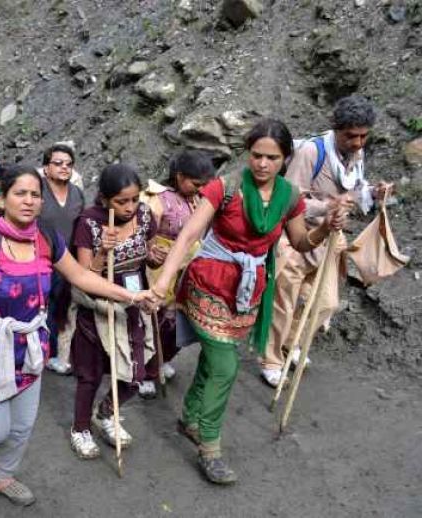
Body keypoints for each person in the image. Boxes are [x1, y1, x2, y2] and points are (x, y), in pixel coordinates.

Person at [0, 164, 155, 506]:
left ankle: (4, 475)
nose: (28, 201)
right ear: (3, 196)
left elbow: (81, 277)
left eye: (35, 195)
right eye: (20, 193)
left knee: (22, 427)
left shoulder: (46, 238)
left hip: (29, 347)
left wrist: (132, 296)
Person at [152, 119, 347, 484]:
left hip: (247, 290)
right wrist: (163, 281)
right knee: (225, 364)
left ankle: (190, 418)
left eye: (271, 157)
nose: (261, 164)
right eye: (256, 155)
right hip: (208, 282)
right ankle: (209, 446)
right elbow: (190, 233)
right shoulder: (222, 188)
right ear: (247, 153)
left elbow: (302, 242)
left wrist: (326, 227)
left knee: (214, 361)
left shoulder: (289, 196)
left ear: (285, 158)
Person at [261, 96, 388, 386]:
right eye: (351, 136)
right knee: (284, 302)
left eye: (364, 136)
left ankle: (291, 344)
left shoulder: (356, 155)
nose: (358, 142)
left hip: (330, 238)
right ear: (337, 129)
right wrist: (330, 206)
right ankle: (270, 360)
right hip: (296, 238)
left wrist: (373, 193)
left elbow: (353, 190)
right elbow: (289, 198)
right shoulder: (310, 152)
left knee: (326, 303)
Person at [67, 164, 162, 459]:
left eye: (134, 199)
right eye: (122, 201)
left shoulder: (145, 214)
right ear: (106, 199)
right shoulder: (89, 223)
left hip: (135, 303)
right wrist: (101, 253)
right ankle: (80, 428)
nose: (130, 207)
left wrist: (154, 258)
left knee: (138, 372)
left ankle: (106, 413)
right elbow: (84, 276)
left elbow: (148, 255)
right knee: (90, 374)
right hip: (99, 305)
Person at [138, 150, 216, 397]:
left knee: (174, 324)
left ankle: (161, 360)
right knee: (151, 323)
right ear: (179, 176)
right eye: (196, 183)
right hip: (158, 271)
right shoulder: (156, 200)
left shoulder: (198, 201)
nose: (200, 189)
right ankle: (143, 373)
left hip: (186, 272)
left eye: (205, 185)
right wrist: (149, 250)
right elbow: (138, 234)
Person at [37, 144, 85, 375]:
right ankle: (34, 350)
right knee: (39, 306)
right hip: (39, 260)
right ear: (46, 168)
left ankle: (53, 353)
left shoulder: (77, 194)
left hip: (67, 261)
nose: (64, 168)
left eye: (68, 164)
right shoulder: (37, 193)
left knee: (61, 307)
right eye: (57, 163)